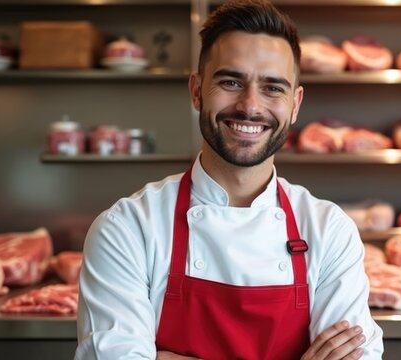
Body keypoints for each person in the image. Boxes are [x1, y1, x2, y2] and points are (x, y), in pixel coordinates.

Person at [74, 0, 384, 359]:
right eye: (231, 81)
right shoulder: (128, 228)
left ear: (295, 104)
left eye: (272, 88)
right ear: (196, 90)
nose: (250, 106)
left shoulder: (329, 231)